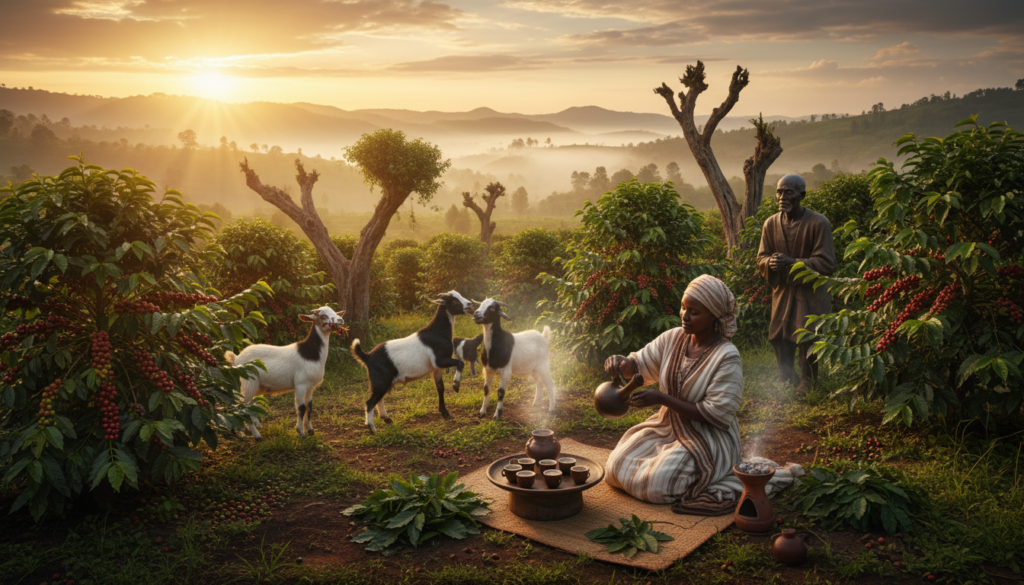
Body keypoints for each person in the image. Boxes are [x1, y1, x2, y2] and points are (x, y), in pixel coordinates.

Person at [603, 275, 788, 514]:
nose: (684, 315)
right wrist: (621, 363)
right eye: (683, 307)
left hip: (709, 437)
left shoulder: (726, 356)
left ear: (713, 315)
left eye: (694, 311)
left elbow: (717, 414)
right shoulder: (673, 338)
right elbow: (639, 364)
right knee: (614, 467)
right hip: (666, 427)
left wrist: (662, 399)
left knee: (658, 484)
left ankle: (710, 474)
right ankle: (664, 461)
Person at [757, 174, 836, 392]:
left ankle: (808, 380)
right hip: (783, 290)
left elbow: (827, 263)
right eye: (779, 192)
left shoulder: (819, 223)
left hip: (810, 291)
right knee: (779, 334)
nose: (782, 197)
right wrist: (769, 262)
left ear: (801, 195)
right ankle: (786, 376)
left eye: (788, 192)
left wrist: (794, 263)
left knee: (807, 335)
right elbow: (761, 256)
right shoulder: (770, 223)